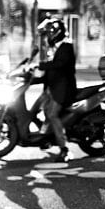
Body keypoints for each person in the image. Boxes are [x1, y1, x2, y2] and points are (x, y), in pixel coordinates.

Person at [35, 17, 76, 163]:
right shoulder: (54, 48)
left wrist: (41, 66)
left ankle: (65, 149)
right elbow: (50, 69)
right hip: (52, 88)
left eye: (50, 33)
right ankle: (47, 137)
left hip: (63, 89)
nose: (48, 36)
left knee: (52, 114)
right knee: (37, 109)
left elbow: (58, 65)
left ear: (58, 32)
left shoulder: (66, 47)